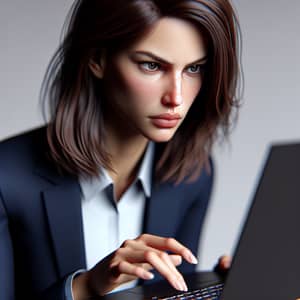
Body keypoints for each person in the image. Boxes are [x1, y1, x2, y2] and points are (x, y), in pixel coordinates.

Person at [0, 0, 241, 299]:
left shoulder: (193, 174)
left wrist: (227, 288)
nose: (176, 97)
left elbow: (174, 291)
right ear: (97, 59)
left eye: (194, 68)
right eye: (151, 65)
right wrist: (86, 287)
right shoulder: (6, 179)